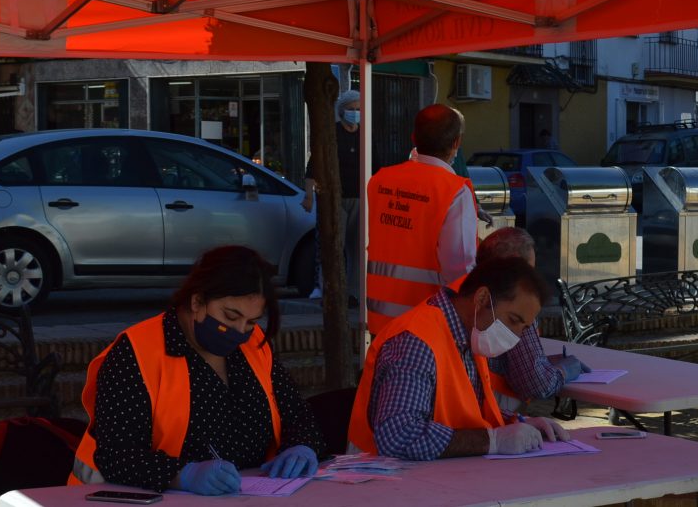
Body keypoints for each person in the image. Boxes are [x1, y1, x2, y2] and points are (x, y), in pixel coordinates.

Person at [70, 246, 326, 495]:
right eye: (230, 316)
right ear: (197, 301)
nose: (240, 331)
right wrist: (182, 475)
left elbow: (297, 415)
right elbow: (117, 454)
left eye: (250, 321)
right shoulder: (135, 352)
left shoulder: (253, 343)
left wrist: (301, 446)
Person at [348, 256, 570, 460]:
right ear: (482, 298)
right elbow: (399, 436)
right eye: (513, 320)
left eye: (524, 327)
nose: (517, 336)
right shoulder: (416, 342)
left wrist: (519, 424)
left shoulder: (470, 333)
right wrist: (493, 440)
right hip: (376, 479)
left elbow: (466, 412)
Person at [365, 103, 478, 336]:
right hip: (426, 325)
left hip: (380, 323)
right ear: (456, 143)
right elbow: (460, 269)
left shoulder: (380, 181)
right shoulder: (454, 191)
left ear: (413, 138)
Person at [469, 227, 589, 412]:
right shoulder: (518, 305)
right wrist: (565, 371)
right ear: (517, 266)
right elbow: (535, 383)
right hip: (495, 415)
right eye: (529, 270)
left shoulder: (467, 295)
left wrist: (545, 362)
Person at [302, 89, 362, 301]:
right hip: (334, 198)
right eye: (351, 109)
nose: (355, 113)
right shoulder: (332, 134)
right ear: (341, 111)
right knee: (332, 244)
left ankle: (354, 292)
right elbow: (314, 166)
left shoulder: (365, 135)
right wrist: (309, 195)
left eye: (358, 109)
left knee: (357, 248)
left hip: (359, 198)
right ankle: (325, 287)